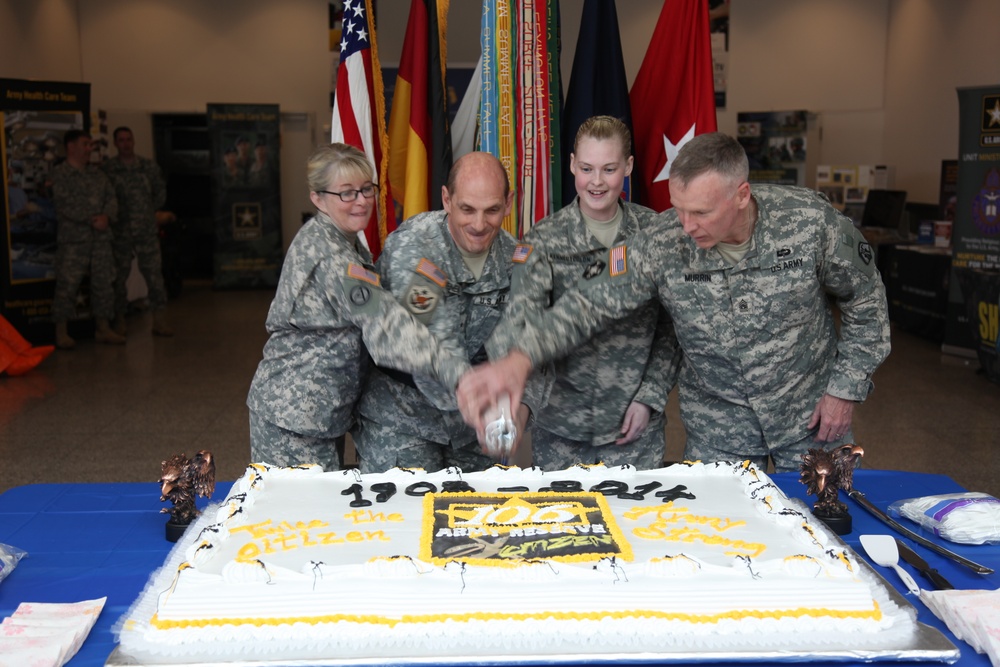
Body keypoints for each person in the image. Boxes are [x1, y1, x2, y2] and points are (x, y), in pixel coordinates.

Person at [461, 132, 891, 473]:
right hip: (719, 427)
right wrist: (518, 360)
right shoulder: (661, 240)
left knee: (828, 534)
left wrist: (845, 389)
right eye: (678, 209)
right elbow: (588, 304)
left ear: (741, 195)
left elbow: (867, 303)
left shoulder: (810, 223)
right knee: (722, 546)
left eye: (700, 213)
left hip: (813, 416)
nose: (686, 226)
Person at [246, 143, 471, 471]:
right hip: (293, 417)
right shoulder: (333, 257)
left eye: (367, 189)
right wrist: (462, 376)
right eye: (347, 193)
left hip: (318, 413)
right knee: (302, 519)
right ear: (318, 198)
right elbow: (386, 324)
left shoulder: (342, 238)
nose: (362, 201)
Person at [492, 116, 678, 470]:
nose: (596, 182)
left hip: (635, 428)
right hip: (562, 430)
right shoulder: (542, 239)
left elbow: (671, 329)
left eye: (609, 169)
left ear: (628, 167)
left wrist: (651, 397)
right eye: (587, 168)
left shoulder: (654, 233)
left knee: (637, 524)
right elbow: (524, 326)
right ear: (573, 164)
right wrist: (520, 406)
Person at [353, 152, 549, 474]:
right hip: (401, 420)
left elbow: (533, 344)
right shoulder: (415, 246)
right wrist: (468, 386)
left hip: (475, 430)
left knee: (476, 518)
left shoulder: (520, 263)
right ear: (447, 199)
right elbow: (431, 333)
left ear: (509, 202)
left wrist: (519, 410)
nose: (479, 224)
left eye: (492, 210)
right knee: (403, 518)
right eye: (467, 209)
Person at [50, 130, 125, 349]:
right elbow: (64, 205)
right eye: (85, 144)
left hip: (101, 240)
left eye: (90, 144)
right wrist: (93, 219)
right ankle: (61, 331)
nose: (89, 148)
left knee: (104, 284)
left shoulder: (98, 175)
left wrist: (107, 216)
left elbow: (111, 198)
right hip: (74, 241)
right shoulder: (59, 174)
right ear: (71, 147)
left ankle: (103, 328)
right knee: (68, 285)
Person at [102, 126, 173, 337]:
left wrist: (149, 211)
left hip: (146, 231)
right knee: (119, 276)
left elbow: (160, 193)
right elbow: (105, 198)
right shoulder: (108, 169)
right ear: (115, 143)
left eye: (128, 139)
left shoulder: (148, 167)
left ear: (133, 141)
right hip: (121, 232)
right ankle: (120, 319)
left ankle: (159, 320)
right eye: (121, 140)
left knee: (154, 276)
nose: (126, 143)